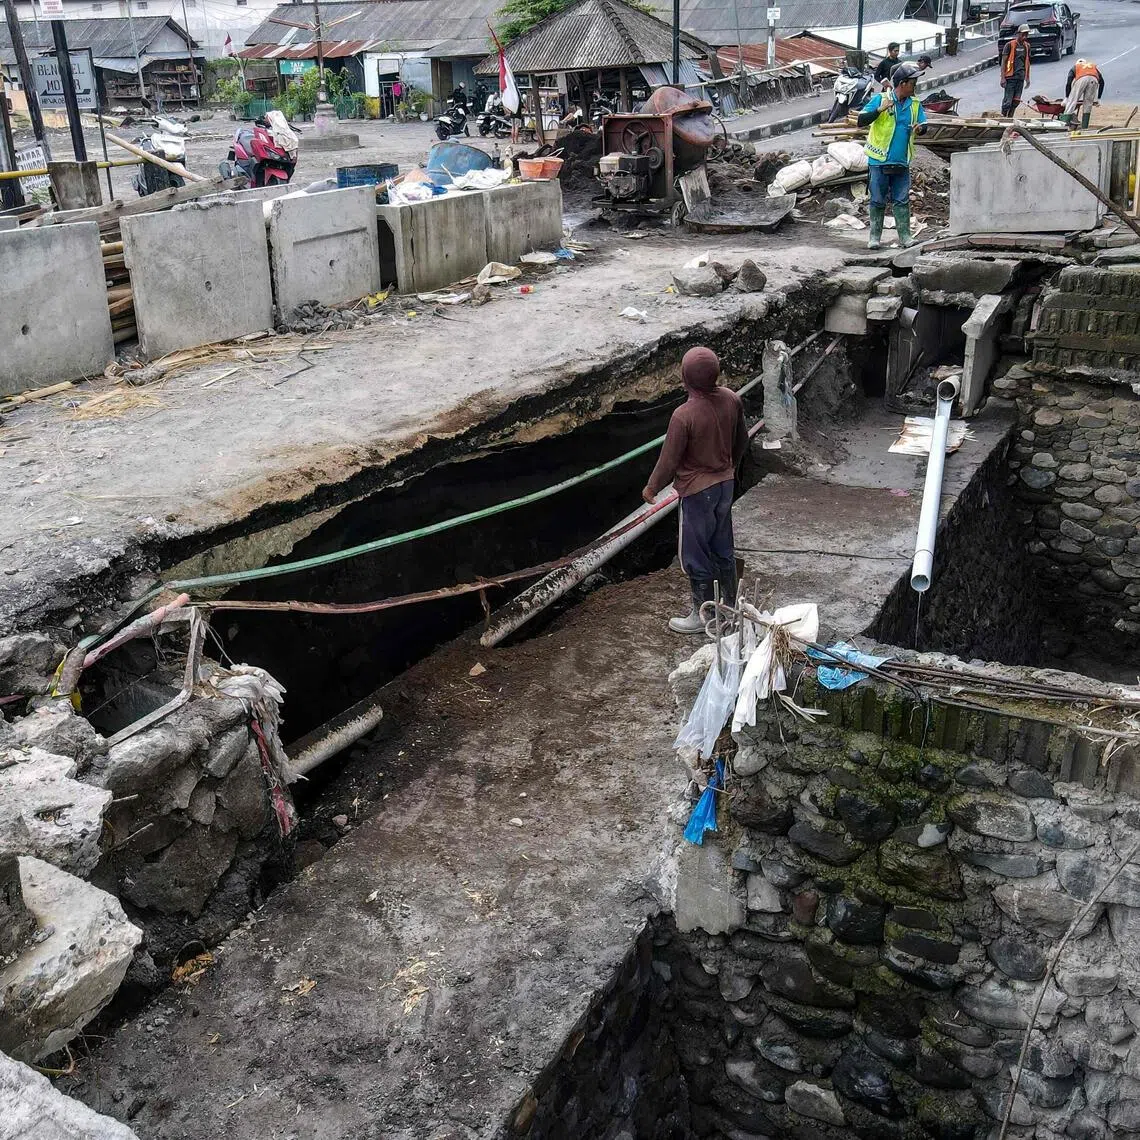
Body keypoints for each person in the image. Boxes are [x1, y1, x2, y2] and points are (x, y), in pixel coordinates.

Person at [642, 347, 748, 634]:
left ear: (685, 378)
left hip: (698, 492)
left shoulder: (683, 415)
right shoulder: (731, 399)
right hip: (725, 485)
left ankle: (704, 615)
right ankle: (730, 607)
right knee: (722, 546)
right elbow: (742, 439)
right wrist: (731, 467)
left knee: (695, 552)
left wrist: (652, 487)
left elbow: (669, 459)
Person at [858, 63, 927, 250]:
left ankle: (905, 237)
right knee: (877, 200)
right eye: (913, 82)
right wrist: (879, 110)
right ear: (903, 83)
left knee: (902, 200)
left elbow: (924, 125)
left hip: (902, 161)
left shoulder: (915, 104)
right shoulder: (881, 99)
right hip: (879, 161)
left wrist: (920, 129)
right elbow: (860, 121)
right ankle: (874, 238)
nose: (915, 86)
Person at [1000, 25, 1032, 118]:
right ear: (1018, 34)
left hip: (1020, 78)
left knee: (1016, 101)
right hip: (1010, 78)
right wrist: (1003, 78)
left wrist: (1027, 78)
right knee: (1008, 102)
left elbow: (1027, 62)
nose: (1025, 37)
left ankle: (1010, 118)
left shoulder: (1027, 46)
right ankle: (1003, 117)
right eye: (1023, 34)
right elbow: (1003, 62)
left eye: (1026, 34)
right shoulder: (1009, 45)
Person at [1064, 58, 1104, 129]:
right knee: (1088, 104)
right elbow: (1102, 82)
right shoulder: (1092, 67)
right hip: (1094, 80)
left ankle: (1064, 124)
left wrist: (1067, 97)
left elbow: (1069, 82)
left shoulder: (1075, 67)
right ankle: (1085, 127)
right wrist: (1099, 98)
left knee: (1072, 102)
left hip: (1081, 79)